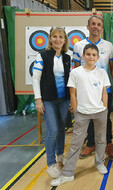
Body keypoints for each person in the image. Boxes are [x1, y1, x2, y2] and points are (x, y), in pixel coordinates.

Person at [50, 44, 110, 186]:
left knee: (101, 139)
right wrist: (76, 109)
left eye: (94, 55)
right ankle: (68, 173)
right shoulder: (76, 72)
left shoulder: (102, 73)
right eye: (88, 54)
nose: (91, 57)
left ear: (98, 57)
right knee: (76, 143)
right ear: (83, 56)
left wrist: (105, 108)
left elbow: (104, 92)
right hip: (82, 112)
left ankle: (99, 162)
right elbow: (72, 93)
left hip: (100, 111)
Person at [72, 15, 113, 160]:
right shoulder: (78, 46)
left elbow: (112, 68)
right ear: (88, 27)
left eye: (98, 24)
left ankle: (108, 144)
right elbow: (76, 69)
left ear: (102, 28)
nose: (95, 26)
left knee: (106, 118)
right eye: (93, 24)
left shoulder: (109, 45)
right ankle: (91, 143)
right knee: (88, 117)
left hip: (105, 90)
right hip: (85, 91)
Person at [32, 27, 71, 178]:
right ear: (49, 39)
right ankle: (51, 163)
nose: (58, 39)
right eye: (54, 36)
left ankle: (60, 155)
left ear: (65, 40)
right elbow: (36, 78)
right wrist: (38, 100)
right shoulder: (42, 55)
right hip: (48, 99)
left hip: (64, 99)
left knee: (61, 129)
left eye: (61, 37)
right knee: (53, 130)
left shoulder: (67, 57)